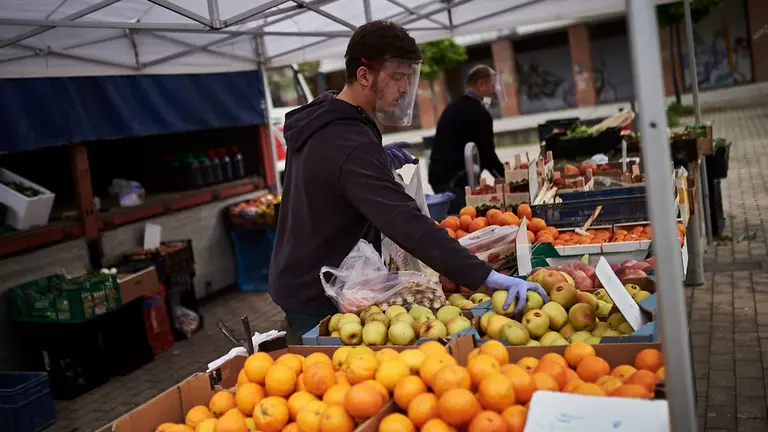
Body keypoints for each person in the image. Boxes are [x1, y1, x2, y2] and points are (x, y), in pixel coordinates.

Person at [268, 21, 545, 343]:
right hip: (317, 292)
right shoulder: (347, 139)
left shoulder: (331, 120)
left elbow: (328, 175)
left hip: (309, 276)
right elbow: (404, 220)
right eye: (397, 77)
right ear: (363, 76)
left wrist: (377, 160)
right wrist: (486, 276)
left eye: (407, 77)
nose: (404, 88)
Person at [428, 65, 506, 215]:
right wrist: (508, 178)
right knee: (465, 222)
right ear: (481, 84)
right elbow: (488, 155)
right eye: (491, 84)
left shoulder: (453, 107)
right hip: (453, 183)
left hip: (440, 177)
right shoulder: (479, 113)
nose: (494, 88)